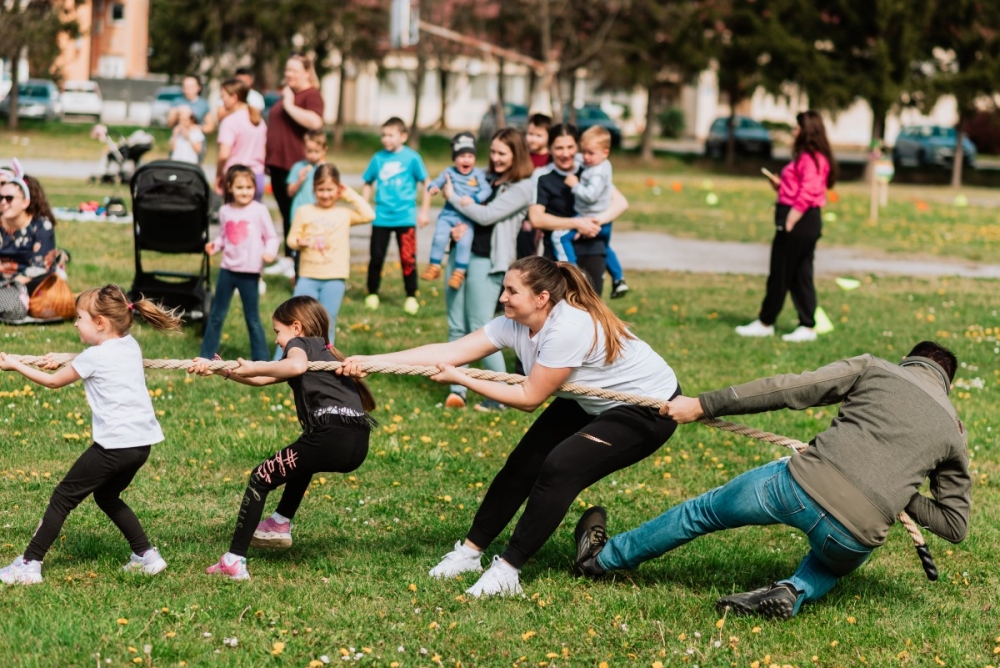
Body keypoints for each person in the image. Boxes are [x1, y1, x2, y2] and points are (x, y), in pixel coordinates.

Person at [339, 256, 682, 597]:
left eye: (511, 290)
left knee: (560, 467)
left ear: (541, 298)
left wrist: (462, 379)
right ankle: (470, 553)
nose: (502, 297)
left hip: (648, 410)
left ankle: (507, 571)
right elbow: (452, 350)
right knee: (523, 463)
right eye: (504, 288)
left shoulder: (567, 328)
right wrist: (375, 362)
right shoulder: (513, 323)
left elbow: (529, 397)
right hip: (595, 401)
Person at [574, 341, 969, 621]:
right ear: (946, 384)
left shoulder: (876, 369)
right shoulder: (954, 431)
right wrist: (899, 493)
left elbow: (788, 389)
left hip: (796, 486)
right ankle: (794, 590)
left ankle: (601, 561)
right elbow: (955, 525)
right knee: (831, 566)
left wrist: (703, 404)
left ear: (909, 363)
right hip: (857, 531)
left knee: (703, 513)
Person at [0, 285, 183, 585]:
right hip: (141, 445)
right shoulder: (130, 345)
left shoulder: (92, 358)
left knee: (62, 498)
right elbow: (99, 356)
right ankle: (147, 556)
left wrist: (15, 364)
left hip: (114, 446)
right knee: (108, 495)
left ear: (100, 323)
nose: (75, 323)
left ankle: (29, 564)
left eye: (80, 317)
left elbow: (52, 382)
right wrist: (65, 356)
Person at [188, 296, 377, 580]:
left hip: (329, 438)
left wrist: (255, 365)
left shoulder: (299, 346)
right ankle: (278, 523)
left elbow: (294, 367)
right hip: (357, 443)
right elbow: (262, 379)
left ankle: (234, 560)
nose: (277, 340)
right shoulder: (327, 351)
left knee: (260, 478)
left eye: (278, 331)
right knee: (304, 460)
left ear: (297, 327)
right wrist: (223, 369)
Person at [437, 128, 536, 411]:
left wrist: (453, 197)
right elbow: (461, 211)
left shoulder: (522, 187)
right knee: (456, 325)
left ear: (516, 155)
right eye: (492, 151)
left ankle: (499, 395)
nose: (495, 158)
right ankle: (458, 389)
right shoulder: (483, 177)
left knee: (483, 329)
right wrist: (456, 227)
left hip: (488, 261)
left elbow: (487, 214)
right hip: (460, 254)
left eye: (502, 153)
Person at [736, 110, 837, 343]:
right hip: (806, 220)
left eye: (797, 127)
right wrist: (781, 186)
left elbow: (809, 191)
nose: (794, 131)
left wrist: (790, 220)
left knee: (780, 272)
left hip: (799, 221)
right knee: (801, 274)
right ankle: (807, 325)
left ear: (807, 131)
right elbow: (803, 187)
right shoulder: (813, 157)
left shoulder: (809, 157)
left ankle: (766, 322)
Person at [527, 124, 628, 297]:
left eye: (570, 147)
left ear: (578, 147)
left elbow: (621, 203)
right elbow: (536, 219)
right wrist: (577, 223)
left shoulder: (590, 167)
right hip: (559, 256)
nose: (565, 153)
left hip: (592, 249)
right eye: (559, 148)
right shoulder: (542, 176)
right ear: (550, 148)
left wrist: (595, 222)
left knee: (590, 312)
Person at [284, 163, 374, 345]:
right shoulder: (304, 211)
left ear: (338, 189)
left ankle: (325, 365)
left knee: (327, 325)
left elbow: (369, 214)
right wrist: (298, 242)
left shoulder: (344, 214)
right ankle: (283, 362)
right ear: (314, 189)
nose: (325, 194)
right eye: (321, 189)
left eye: (330, 189)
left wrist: (348, 193)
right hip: (308, 276)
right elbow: (291, 239)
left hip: (334, 278)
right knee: (296, 323)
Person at [200, 165, 280, 362]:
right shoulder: (225, 211)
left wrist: (269, 252)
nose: (245, 192)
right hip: (228, 270)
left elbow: (272, 237)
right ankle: (206, 357)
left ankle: (261, 360)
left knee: (252, 318)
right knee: (217, 315)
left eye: (249, 187)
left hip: (249, 272)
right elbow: (225, 237)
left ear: (255, 188)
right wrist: (215, 246)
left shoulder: (259, 210)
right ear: (229, 188)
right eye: (240, 187)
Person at [264, 54, 325, 279]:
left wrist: (288, 105)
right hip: (278, 164)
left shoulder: (311, 95)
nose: (288, 74)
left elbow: (315, 122)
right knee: (286, 214)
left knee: (299, 213)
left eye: (294, 71)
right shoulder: (288, 94)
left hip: (296, 166)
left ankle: (299, 259)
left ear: (307, 72)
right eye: (287, 70)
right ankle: (290, 257)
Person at [361, 117, 429, 315]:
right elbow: (367, 181)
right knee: (376, 257)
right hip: (381, 217)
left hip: (405, 218)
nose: (386, 139)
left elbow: (427, 182)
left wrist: (424, 211)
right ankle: (372, 293)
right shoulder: (378, 158)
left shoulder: (412, 158)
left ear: (403, 137)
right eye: (383, 135)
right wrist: (365, 206)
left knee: (408, 258)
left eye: (390, 135)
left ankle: (410, 296)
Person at [556, 126, 630, 299]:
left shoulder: (597, 173)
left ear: (605, 152)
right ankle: (619, 279)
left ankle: (574, 270)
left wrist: (574, 185)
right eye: (584, 152)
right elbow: (583, 157)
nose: (586, 157)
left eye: (590, 153)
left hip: (589, 217)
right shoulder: (601, 163)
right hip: (604, 221)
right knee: (605, 248)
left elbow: (590, 195)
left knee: (563, 237)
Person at [419, 132, 492, 290]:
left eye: (470, 156)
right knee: (439, 238)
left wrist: (474, 199)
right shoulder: (449, 172)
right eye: (462, 156)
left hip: (467, 217)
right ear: (454, 159)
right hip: (447, 215)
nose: (466, 160)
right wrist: (433, 188)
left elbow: (486, 190)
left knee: (464, 244)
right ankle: (434, 265)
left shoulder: (478, 174)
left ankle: (459, 272)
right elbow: (436, 182)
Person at [0, 172, 59, 322]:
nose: (3, 202)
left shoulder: (41, 226)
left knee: (11, 302)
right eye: (0, 198)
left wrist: (9, 284)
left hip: (26, 286)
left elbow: (40, 266)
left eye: (9, 198)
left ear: (25, 202)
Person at [215, 79, 268, 199]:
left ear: (234, 97)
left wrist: (218, 175)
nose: (222, 100)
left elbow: (224, 154)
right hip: (256, 177)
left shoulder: (230, 121)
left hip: (236, 179)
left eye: (223, 96)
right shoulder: (259, 121)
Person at [516, 113, 553, 259]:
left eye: (538, 135)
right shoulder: (522, 156)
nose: (532, 138)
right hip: (521, 211)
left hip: (541, 211)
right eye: (530, 134)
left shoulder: (551, 160)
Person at [285, 129, 328, 228]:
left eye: (316, 151)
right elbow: (290, 192)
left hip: (318, 213)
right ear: (304, 149)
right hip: (299, 213)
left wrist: (324, 171)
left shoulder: (326, 169)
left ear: (324, 150)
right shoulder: (298, 167)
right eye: (309, 151)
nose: (312, 155)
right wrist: (300, 180)